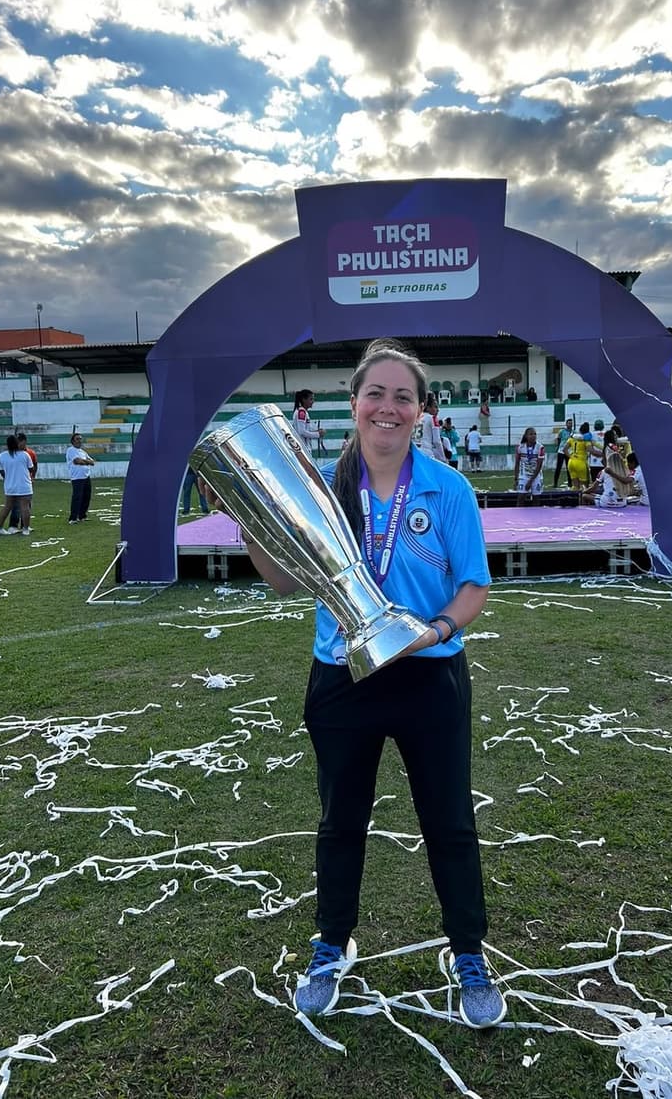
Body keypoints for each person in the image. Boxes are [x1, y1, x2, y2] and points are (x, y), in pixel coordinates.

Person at [208, 337, 505, 1028]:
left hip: (429, 676)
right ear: (354, 402)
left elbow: (473, 586)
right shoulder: (319, 489)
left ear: (423, 411)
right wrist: (249, 517)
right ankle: (330, 946)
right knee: (341, 820)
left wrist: (432, 630)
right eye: (377, 393)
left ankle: (468, 954)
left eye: (404, 396)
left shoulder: (448, 488)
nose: (389, 407)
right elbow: (286, 579)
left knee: (450, 822)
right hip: (342, 678)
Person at [0, 434, 34, 535]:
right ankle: (25, 529)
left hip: (10, 486)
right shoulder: (24, 455)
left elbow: (2, 471)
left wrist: (9, 478)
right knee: (25, 507)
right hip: (24, 485)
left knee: (7, 506)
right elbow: (31, 469)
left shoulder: (2, 456)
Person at [8, 433, 37, 529]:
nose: (23, 446)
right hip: (15, 483)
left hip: (26, 483)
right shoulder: (11, 454)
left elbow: (34, 466)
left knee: (27, 505)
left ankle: (25, 525)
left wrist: (32, 477)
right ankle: (13, 525)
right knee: (15, 505)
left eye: (25, 444)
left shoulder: (30, 453)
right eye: (21, 444)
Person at [65, 432, 96, 523]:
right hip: (77, 477)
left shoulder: (82, 452)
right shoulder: (71, 450)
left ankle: (82, 515)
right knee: (77, 497)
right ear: (73, 441)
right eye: (77, 439)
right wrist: (87, 462)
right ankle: (73, 517)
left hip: (86, 476)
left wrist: (85, 461)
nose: (79, 441)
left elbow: (92, 462)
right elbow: (77, 461)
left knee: (86, 496)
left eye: (80, 439)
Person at [513, 427, 545, 503]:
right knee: (520, 498)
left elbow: (539, 465)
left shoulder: (540, 448)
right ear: (526, 436)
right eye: (531, 434)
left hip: (536, 476)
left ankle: (536, 514)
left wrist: (530, 481)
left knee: (536, 499)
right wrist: (516, 479)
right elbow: (517, 463)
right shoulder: (520, 447)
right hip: (524, 475)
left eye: (535, 434)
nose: (533, 436)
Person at [293, 389, 326, 455]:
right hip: (303, 449)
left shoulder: (304, 412)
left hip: (305, 448)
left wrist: (317, 430)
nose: (313, 402)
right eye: (311, 399)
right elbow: (301, 431)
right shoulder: (301, 412)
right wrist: (317, 434)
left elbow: (307, 428)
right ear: (304, 400)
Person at [565, 421, 593, 490]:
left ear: (580, 430)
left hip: (571, 462)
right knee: (584, 486)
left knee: (575, 486)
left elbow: (564, 449)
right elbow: (590, 450)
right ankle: (582, 500)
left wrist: (571, 457)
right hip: (581, 462)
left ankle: (574, 499)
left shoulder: (572, 438)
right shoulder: (586, 440)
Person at [419, 394, 447, 461]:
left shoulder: (415, 417)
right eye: (435, 407)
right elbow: (437, 441)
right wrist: (443, 458)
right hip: (426, 453)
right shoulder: (433, 418)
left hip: (415, 453)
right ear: (428, 408)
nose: (437, 410)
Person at [552, 419, 573, 487]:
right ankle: (555, 483)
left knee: (569, 468)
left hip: (569, 452)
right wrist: (558, 447)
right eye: (569, 423)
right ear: (566, 424)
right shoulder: (562, 431)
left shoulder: (573, 432)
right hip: (561, 451)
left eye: (571, 423)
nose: (570, 424)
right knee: (558, 467)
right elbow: (558, 439)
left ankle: (570, 483)